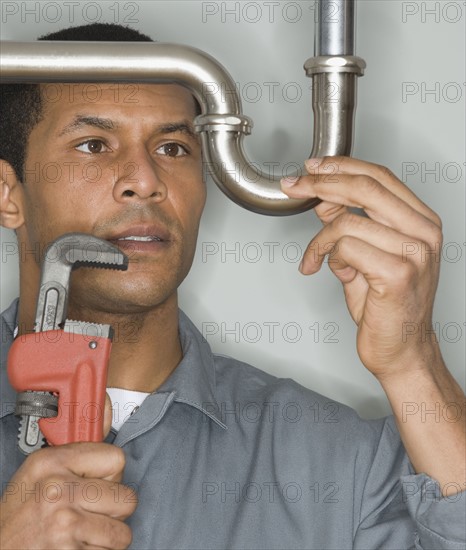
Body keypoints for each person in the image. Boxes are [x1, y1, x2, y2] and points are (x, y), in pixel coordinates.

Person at [0, 23, 464, 550]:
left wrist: (413, 362)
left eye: (173, 148)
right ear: (7, 194)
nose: (145, 179)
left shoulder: (338, 463)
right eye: (93, 144)